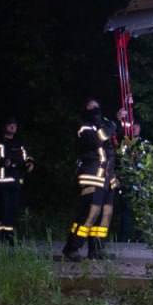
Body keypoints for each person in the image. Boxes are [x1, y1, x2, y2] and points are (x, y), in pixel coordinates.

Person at [62, 99, 119, 261]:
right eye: (90, 106)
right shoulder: (84, 127)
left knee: (105, 215)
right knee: (89, 213)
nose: (94, 109)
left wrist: (119, 122)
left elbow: (114, 142)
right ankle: (72, 248)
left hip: (107, 178)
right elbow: (101, 137)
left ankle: (96, 250)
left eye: (96, 106)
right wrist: (113, 124)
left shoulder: (105, 124)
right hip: (92, 176)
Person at [0, 118, 34, 246]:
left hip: (16, 182)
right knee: (2, 209)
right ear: (5, 126)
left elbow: (27, 157)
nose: (13, 127)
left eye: (15, 125)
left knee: (13, 210)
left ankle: (9, 236)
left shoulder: (20, 143)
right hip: (0, 182)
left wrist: (30, 163)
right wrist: (2, 162)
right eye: (10, 125)